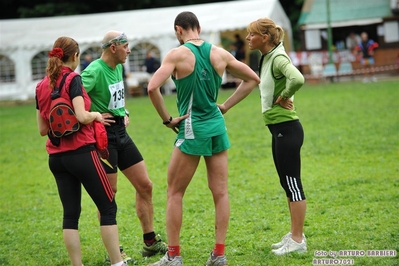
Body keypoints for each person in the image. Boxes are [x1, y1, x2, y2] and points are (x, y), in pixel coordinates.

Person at [147, 11, 260, 266]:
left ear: (179, 30)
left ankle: (174, 256)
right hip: (217, 126)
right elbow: (253, 78)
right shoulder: (219, 53)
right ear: (198, 27)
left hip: (191, 127)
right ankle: (219, 254)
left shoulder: (177, 54)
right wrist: (226, 106)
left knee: (175, 192)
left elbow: (152, 87)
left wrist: (167, 120)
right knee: (220, 193)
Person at [35, 36, 126, 266]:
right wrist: (95, 115)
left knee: (70, 215)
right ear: (75, 56)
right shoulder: (73, 79)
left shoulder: (40, 86)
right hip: (81, 153)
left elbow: (42, 129)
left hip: (56, 158)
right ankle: (118, 262)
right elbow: (82, 116)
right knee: (107, 207)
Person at [80, 31, 168, 262]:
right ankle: (114, 253)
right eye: (126, 46)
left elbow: (117, 97)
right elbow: (73, 100)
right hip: (103, 138)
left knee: (145, 185)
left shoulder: (118, 66)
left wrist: (124, 111)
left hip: (122, 133)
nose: (129, 51)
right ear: (113, 47)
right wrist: (94, 115)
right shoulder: (93, 71)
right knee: (108, 195)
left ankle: (150, 241)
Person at [246, 18, 307, 255]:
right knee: (286, 184)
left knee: (293, 184)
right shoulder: (268, 56)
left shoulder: (278, 58)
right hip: (278, 130)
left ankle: (298, 240)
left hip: (287, 129)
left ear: (265, 37)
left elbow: (298, 78)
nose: (248, 38)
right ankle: (294, 234)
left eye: (252, 34)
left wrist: (284, 95)